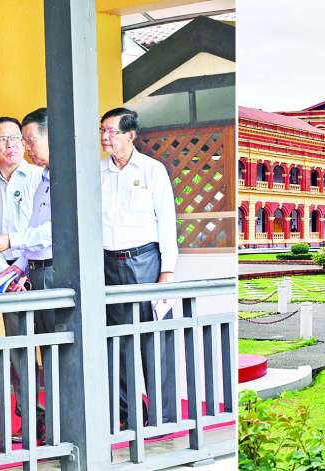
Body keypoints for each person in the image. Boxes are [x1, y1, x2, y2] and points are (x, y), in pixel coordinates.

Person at [98, 107, 178, 430]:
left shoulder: (152, 170)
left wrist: (167, 271)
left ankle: (163, 416)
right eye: (102, 131)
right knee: (116, 342)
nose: (105, 137)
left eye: (112, 131)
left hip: (145, 261)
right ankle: (128, 413)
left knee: (153, 340)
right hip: (107, 263)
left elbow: (166, 221)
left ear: (130, 135)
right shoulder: (97, 173)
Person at [0, 108, 53, 443]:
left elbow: (43, 231)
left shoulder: (41, 176)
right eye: (4, 140)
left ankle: (57, 417)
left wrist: (22, 265)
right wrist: (8, 276)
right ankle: (29, 418)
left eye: (19, 139)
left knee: (52, 347)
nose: (13, 145)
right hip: (10, 279)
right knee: (19, 353)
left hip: (41, 268)